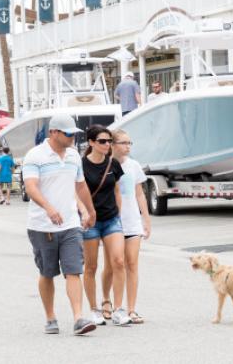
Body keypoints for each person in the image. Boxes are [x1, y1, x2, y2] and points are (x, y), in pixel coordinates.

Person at [22, 114, 98, 336]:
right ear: (53, 132)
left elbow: (81, 186)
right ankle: (50, 317)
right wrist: (48, 207)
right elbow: (31, 186)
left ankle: (78, 318)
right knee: (47, 272)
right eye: (68, 133)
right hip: (42, 225)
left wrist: (90, 210)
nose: (73, 137)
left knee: (74, 270)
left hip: (70, 224)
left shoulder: (74, 156)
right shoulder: (35, 155)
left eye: (74, 133)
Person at [81, 125, 130, 327]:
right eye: (102, 141)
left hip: (111, 220)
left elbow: (117, 191)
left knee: (118, 261)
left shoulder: (113, 163)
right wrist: (84, 213)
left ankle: (118, 309)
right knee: (91, 266)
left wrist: (118, 213)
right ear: (91, 142)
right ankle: (94, 309)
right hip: (91, 222)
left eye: (109, 141)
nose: (107, 144)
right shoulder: (81, 165)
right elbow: (77, 192)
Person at [101, 129, 151, 325]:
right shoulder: (105, 165)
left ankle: (130, 309)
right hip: (112, 221)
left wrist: (146, 219)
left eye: (130, 143)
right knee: (113, 265)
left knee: (132, 264)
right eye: (123, 143)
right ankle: (107, 301)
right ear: (112, 145)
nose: (128, 146)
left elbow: (139, 194)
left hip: (132, 222)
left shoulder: (134, 166)